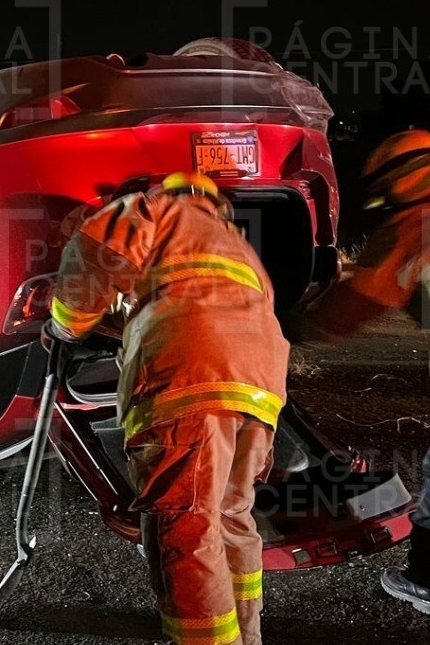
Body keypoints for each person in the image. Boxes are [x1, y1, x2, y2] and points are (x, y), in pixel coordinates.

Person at [47, 172, 288, 645]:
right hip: (260, 391)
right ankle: (248, 634)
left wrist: (64, 326)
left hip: (190, 381)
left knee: (186, 527)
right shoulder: (234, 245)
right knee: (230, 515)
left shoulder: (152, 208)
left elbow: (96, 251)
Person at [294, 129, 430, 616]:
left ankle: (426, 581)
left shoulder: (414, 225)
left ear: (399, 182)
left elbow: (342, 317)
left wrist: (278, 324)